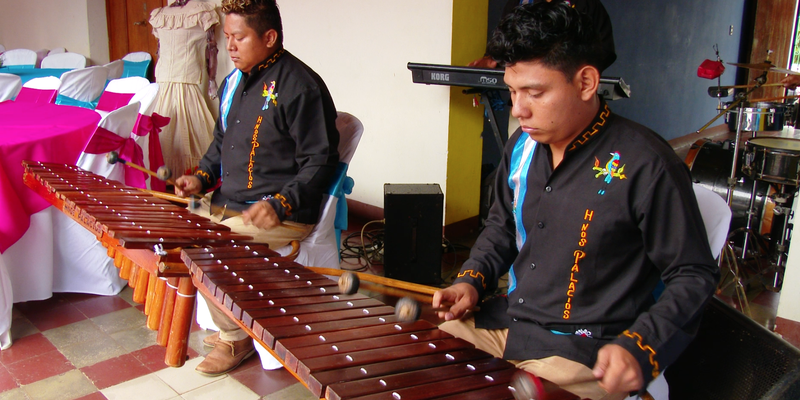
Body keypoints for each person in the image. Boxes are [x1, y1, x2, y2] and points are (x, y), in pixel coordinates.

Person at [433, 3, 718, 399]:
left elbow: (693, 273)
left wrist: (641, 346)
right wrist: (471, 279)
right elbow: (500, 226)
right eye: (512, 91)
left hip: (584, 349)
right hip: (508, 323)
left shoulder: (645, 164)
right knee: (425, 365)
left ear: (586, 82)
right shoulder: (522, 147)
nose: (518, 109)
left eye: (535, 92)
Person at [173, 0, 339, 376]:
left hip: (281, 212)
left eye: (239, 37)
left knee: (207, 250)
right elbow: (221, 142)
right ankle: (231, 320)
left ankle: (236, 337)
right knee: (177, 234)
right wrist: (201, 176)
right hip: (230, 202)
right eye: (227, 36)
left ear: (269, 37)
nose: (229, 46)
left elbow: (320, 161)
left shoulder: (301, 86)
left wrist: (281, 203)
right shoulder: (234, 81)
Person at [150, 0, 220, 177]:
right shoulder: (160, 15)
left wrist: (212, 80)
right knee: (162, 135)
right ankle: (163, 179)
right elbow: (159, 50)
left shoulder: (201, 12)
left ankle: (197, 177)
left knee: (194, 135)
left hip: (187, 83)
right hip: (163, 83)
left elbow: (212, 49)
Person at [468, 0, 616, 71]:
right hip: (526, 97)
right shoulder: (518, 3)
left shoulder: (587, 4)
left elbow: (605, 51)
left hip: (573, 101)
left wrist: (568, 68)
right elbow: (504, 41)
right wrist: (492, 58)